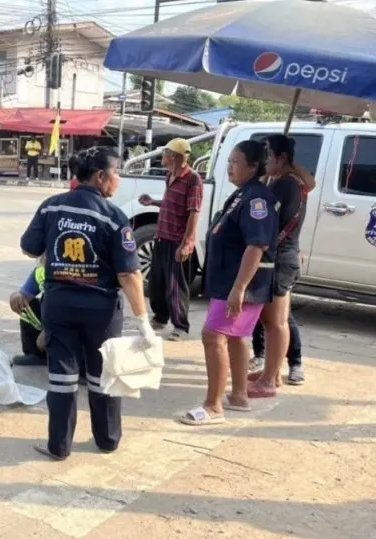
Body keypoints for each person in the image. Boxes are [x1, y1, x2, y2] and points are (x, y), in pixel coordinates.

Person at [20, 147, 156, 459]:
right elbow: (130, 274)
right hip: (102, 311)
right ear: (100, 177)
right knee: (104, 377)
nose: (119, 180)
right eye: (117, 173)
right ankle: (107, 440)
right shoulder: (114, 218)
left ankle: (59, 446)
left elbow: (29, 249)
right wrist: (143, 322)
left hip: (59, 307)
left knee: (62, 378)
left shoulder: (51, 207)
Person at [179, 140, 278, 426]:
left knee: (213, 336)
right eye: (229, 161)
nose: (230, 166)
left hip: (241, 283)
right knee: (234, 336)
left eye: (236, 161)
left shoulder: (257, 198)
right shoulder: (242, 194)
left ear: (253, 166)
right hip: (229, 281)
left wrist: (239, 288)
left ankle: (213, 406)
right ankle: (238, 396)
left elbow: (256, 246)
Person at [248, 134, 314, 394]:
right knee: (274, 320)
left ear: (282, 157)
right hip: (284, 256)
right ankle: (270, 373)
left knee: (276, 322)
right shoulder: (291, 182)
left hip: (279, 258)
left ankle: (271, 378)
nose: (264, 162)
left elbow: (267, 223)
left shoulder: (285, 184)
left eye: (268, 156)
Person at [139, 138, 203, 341]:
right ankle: (160, 317)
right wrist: (153, 202)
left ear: (175, 157)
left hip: (177, 240)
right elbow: (170, 203)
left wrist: (186, 244)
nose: (163, 157)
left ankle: (180, 325)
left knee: (176, 286)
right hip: (162, 237)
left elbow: (194, 213)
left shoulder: (193, 179)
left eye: (166, 154)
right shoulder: (170, 176)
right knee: (157, 282)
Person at [9, 258, 47, 366]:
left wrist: (50, 331)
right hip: (54, 313)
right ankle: (36, 355)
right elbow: (25, 293)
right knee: (24, 303)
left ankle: (81, 364)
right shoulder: (42, 269)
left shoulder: (69, 271)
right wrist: (16, 296)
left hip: (74, 319)